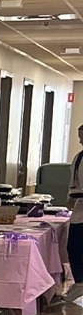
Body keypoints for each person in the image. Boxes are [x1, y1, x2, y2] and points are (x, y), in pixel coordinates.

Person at [68, 124, 83, 291]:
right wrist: (70, 197)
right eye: (80, 138)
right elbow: (73, 181)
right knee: (73, 247)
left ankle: (80, 282)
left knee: (77, 247)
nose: (80, 141)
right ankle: (79, 282)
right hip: (79, 207)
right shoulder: (78, 157)